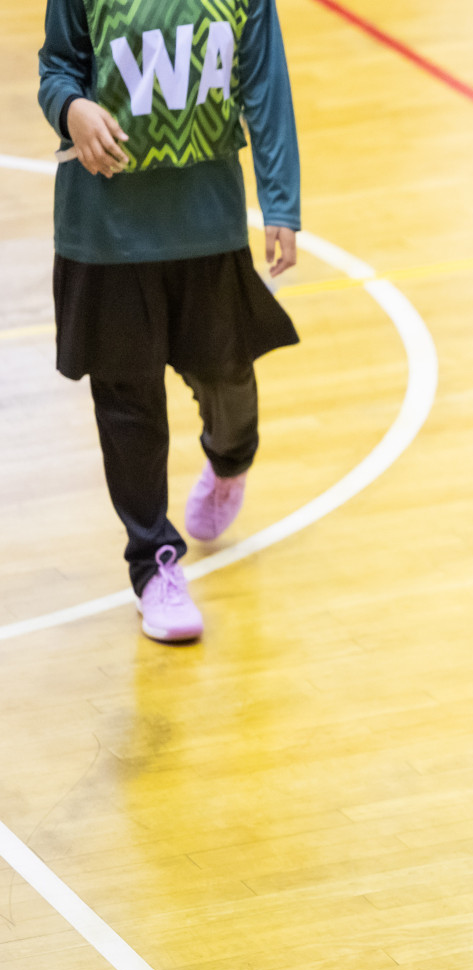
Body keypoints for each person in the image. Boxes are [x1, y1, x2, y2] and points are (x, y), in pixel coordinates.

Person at [37, 0, 301, 642]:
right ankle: (153, 561)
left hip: (204, 222)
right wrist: (73, 109)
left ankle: (230, 458)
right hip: (107, 229)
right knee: (128, 403)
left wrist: (281, 202)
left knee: (228, 378)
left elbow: (265, 85)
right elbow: (56, 70)